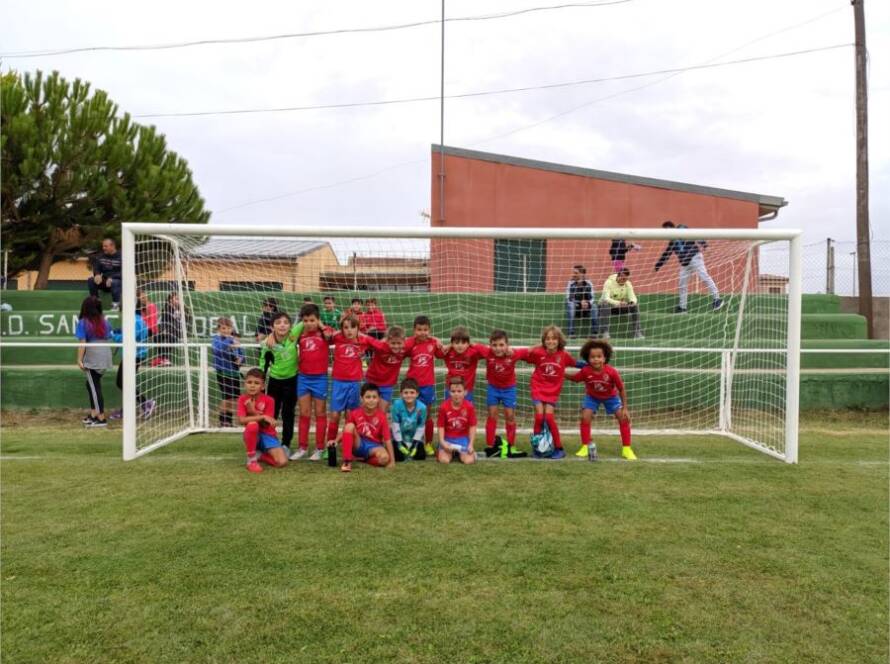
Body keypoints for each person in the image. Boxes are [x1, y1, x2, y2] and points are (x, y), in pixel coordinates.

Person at [567, 339, 637, 460]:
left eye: (599, 356)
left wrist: (625, 408)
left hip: (611, 397)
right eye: (593, 357)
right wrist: (562, 373)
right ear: (588, 359)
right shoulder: (586, 371)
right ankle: (585, 446)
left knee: (623, 418)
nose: (596, 359)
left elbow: (621, 389)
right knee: (585, 417)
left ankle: (627, 449)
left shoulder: (611, 372)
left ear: (605, 358)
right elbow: (575, 379)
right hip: (592, 397)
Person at [521, 325, 576, 459]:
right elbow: (523, 355)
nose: (551, 341)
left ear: (559, 340)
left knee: (549, 418)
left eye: (554, 339)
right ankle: (537, 449)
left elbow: (576, 363)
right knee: (539, 416)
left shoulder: (564, 355)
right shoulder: (539, 352)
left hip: (553, 391)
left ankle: (559, 448)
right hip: (538, 387)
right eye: (547, 339)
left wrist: (591, 366)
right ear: (543, 341)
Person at [324, 314, 377, 448]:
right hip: (338, 382)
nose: (349, 330)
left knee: (350, 416)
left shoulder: (364, 339)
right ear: (341, 329)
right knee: (335, 415)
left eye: (353, 327)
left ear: (358, 328)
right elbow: (325, 335)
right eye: (346, 327)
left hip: (354, 382)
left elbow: (380, 345)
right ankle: (330, 445)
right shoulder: (337, 337)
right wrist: (332, 331)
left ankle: (350, 444)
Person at [478, 329, 528, 458]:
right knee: (492, 415)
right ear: (490, 345)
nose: (498, 348)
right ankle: (490, 445)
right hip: (493, 388)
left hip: (509, 389)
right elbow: (472, 345)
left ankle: (511, 445)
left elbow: (531, 350)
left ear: (507, 345)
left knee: (510, 416)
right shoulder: (487, 352)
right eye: (494, 345)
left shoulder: (514, 354)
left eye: (501, 345)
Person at [655, 221, 723, 312]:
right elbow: (666, 254)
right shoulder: (672, 243)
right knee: (682, 284)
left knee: (704, 277)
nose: (666, 233)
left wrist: (705, 246)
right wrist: (657, 266)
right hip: (685, 264)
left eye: (667, 230)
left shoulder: (681, 229)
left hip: (695, 258)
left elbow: (694, 235)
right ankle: (682, 308)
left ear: (672, 228)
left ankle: (717, 299)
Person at [263, 311, 304, 453]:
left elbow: (307, 317)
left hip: (292, 381)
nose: (282, 325)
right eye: (278, 323)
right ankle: (269, 441)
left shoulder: (293, 335)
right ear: (272, 326)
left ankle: (286, 444)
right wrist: (261, 383)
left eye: (286, 322)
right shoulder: (267, 343)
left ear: (291, 326)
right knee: (271, 413)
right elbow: (263, 363)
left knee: (288, 413)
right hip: (274, 382)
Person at [294, 303, 330, 461]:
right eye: (306, 320)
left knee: (320, 413)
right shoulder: (299, 335)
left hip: (320, 378)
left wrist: (321, 325)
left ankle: (320, 448)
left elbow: (331, 334)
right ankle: (302, 447)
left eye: (312, 320)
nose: (309, 323)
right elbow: (285, 338)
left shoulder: (324, 334)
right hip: (303, 378)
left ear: (318, 320)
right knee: (304, 413)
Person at [238, 368, 288, 473]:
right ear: (245, 384)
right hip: (252, 435)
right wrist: (261, 416)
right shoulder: (242, 399)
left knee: (282, 462)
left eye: (256, 383)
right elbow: (242, 420)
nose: (252, 385)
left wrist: (253, 411)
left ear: (263, 386)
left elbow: (266, 424)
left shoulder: (269, 400)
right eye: (249, 382)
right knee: (252, 425)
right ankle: (251, 460)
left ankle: (260, 455)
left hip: (268, 435)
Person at [403, 315, 440, 456]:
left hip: (428, 385)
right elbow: (399, 352)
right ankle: (410, 442)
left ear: (429, 330)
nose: (422, 332)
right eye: (419, 329)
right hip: (412, 385)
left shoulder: (433, 343)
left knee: (427, 415)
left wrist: (440, 342)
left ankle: (428, 443)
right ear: (414, 330)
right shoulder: (409, 343)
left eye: (425, 329)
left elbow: (442, 354)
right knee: (410, 415)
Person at [339, 383, 395, 473]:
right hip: (359, 443)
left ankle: (365, 460)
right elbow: (346, 430)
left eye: (374, 397)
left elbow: (387, 439)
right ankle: (347, 462)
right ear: (362, 398)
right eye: (368, 397)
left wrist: (392, 461)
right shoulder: (355, 413)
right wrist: (335, 441)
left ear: (379, 399)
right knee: (349, 426)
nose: (371, 400)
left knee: (384, 459)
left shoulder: (382, 417)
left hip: (374, 447)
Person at [76, 295, 113, 427]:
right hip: (105, 354)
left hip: (93, 356)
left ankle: (101, 418)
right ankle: (93, 414)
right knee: (91, 384)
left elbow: (82, 343)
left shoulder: (83, 322)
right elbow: (109, 336)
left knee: (94, 386)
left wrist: (79, 360)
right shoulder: (105, 321)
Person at [111, 310, 156, 420]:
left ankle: (144, 403)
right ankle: (132, 408)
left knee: (122, 382)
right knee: (124, 382)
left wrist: (112, 335)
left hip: (133, 355)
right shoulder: (138, 319)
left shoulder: (133, 321)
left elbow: (128, 338)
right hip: (135, 355)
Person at [435, 326, 487, 403]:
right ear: (452, 343)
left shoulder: (472, 352)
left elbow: (487, 352)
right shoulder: (449, 351)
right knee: (449, 410)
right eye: (456, 343)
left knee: (466, 412)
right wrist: (448, 346)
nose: (460, 345)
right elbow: (438, 354)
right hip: (451, 389)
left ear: (468, 343)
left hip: (467, 390)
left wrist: (473, 344)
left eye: (463, 343)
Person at [212, 317, 244, 427]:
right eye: (224, 328)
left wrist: (240, 359)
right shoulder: (216, 339)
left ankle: (229, 421)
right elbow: (218, 350)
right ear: (219, 329)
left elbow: (241, 352)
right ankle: (222, 420)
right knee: (226, 396)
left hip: (234, 372)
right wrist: (229, 340)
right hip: (223, 372)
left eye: (229, 328)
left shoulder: (235, 339)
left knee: (233, 397)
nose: (226, 330)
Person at [364, 325, 408, 408]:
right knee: (368, 409)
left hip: (387, 384)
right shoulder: (380, 345)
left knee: (381, 412)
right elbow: (365, 338)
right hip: (372, 380)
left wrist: (436, 339)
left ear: (404, 341)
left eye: (399, 343)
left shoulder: (406, 348)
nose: (396, 346)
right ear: (387, 341)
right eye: (393, 343)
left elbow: (417, 338)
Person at [437, 376, 477, 465]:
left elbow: (472, 426)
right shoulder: (443, 407)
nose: (456, 394)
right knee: (444, 460)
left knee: (469, 461)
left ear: (465, 392)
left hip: (462, 439)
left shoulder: (469, 407)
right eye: (453, 391)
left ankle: (460, 453)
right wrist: (442, 442)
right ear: (449, 392)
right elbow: (440, 427)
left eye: (459, 391)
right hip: (448, 439)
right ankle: (450, 452)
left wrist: (471, 444)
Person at [598, 269, 644, 340]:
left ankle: (637, 332)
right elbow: (606, 298)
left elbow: (633, 298)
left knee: (635, 306)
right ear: (618, 276)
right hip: (607, 307)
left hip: (620, 307)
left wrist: (630, 303)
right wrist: (618, 303)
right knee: (605, 304)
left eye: (626, 279)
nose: (624, 281)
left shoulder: (628, 283)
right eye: (623, 278)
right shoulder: (609, 282)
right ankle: (605, 332)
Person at [389, 378, 427, 461]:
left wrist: (415, 443)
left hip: (413, 438)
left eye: (412, 392)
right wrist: (399, 442)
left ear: (417, 394)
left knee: (421, 456)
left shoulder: (422, 408)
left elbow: (421, 427)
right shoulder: (397, 405)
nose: (409, 395)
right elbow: (395, 425)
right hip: (400, 438)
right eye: (406, 393)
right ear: (401, 394)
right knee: (398, 457)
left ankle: (413, 446)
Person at [87, 238, 122, 310]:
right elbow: (96, 268)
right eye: (103, 246)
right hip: (105, 282)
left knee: (115, 282)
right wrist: (97, 274)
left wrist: (113, 278)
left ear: (112, 246)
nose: (103, 248)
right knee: (91, 280)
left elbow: (125, 273)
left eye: (105, 246)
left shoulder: (122, 256)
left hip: (118, 283)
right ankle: (96, 304)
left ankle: (116, 305)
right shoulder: (100, 257)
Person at [154, 292, 186, 367]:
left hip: (177, 330)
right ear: (170, 300)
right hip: (167, 329)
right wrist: (164, 330)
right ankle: (163, 358)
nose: (178, 301)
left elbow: (186, 319)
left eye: (178, 299)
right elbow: (164, 322)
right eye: (176, 299)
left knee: (171, 336)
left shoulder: (182, 308)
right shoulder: (166, 309)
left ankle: (164, 358)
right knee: (157, 337)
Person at [564, 265, 596, 338]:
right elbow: (568, 298)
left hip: (586, 308)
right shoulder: (570, 283)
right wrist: (579, 303)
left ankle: (594, 333)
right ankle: (571, 333)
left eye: (576, 273)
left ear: (582, 274)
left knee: (594, 306)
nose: (573, 274)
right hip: (575, 307)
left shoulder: (589, 283)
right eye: (573, 273)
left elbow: (592, 298)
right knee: (570, 305)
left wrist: (587, 303)